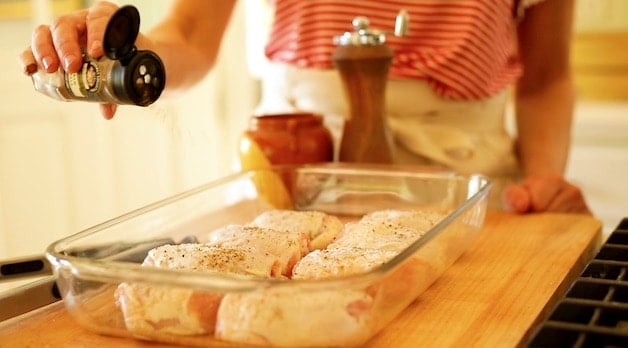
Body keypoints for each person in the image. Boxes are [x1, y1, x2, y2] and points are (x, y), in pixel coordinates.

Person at [18, 0, 591, 215]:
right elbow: (189, 34)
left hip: (469, 190)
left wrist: (543, 180)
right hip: (287, 180)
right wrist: (125, 54)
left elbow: (545, 78)